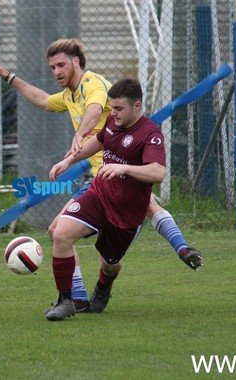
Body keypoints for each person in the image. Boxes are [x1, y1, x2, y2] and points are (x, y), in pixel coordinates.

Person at [0, 39, 201, 311]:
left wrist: (79, 133)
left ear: (76, 62)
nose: (56, 71)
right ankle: (74, 298)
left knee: (116, 251)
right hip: (102, 180)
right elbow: (43, 101)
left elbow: (95, 108)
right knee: (60, 231)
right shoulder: (69, 95)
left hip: (121, 175)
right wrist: (10, 77)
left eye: (61, 64)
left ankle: (175, 251)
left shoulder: (92, 84)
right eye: (52, 67)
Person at [44, 78, 165, 320]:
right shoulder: (112, 121)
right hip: (99, 194)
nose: (113, 113)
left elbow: (158, 172)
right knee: (60, 233)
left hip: (125, 213)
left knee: (110, 264)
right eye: (112, 107)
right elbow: (97, 142)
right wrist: (68, 160)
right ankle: (66, 300)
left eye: (119, 108)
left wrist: (125, 168)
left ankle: (103, 287)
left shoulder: (150, 133)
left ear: (137, 106)